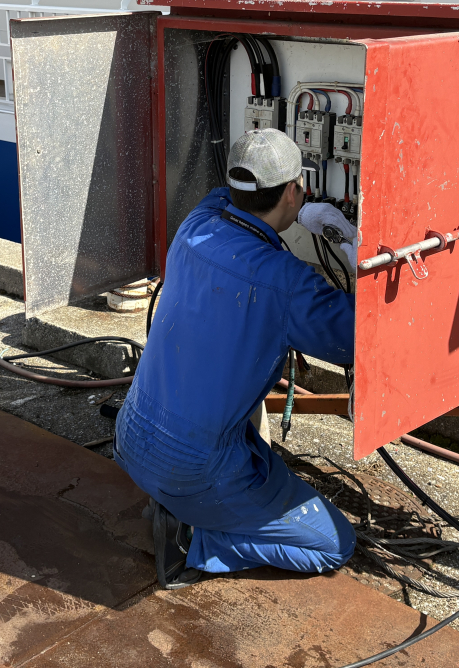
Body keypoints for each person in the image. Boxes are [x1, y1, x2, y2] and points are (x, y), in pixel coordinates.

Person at [114, 127, 360, 588]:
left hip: (130, 436)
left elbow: (221, 195)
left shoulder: (196, 223)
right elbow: (358, 334)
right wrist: (355, 250)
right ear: (293, 191)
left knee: (246, 445)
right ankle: (196, 539)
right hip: (192, 467)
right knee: (333, 544)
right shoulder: (286, 282)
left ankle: (178, 500)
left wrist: (289, 204)